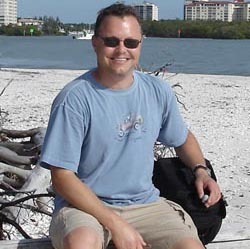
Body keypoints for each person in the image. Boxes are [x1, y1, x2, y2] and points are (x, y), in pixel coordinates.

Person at [40, 3, 222, 249]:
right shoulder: (74, 99)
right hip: (84, 207)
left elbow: (182, 138)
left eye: (130, 43)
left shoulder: (157, 91)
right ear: (95, 43)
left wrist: (201, 171)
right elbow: (61, 177)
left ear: (140, 45)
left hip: (146, 205)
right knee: (82, 243)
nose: (121, 50)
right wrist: (115, 223)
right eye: (112, 41)